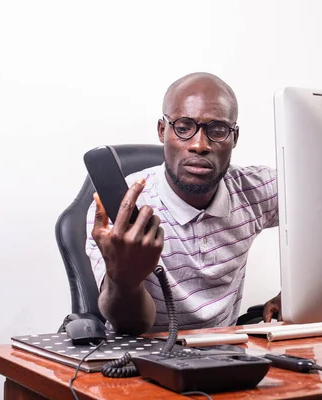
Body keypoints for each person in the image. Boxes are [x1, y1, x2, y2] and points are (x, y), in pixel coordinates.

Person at [86, 72, 281, 334]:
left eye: (218, 130)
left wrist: (294, 295)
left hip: (225, 356)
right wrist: (125, 281)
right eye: (184, 127)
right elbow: (131, 326)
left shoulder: (254, 189)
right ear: (162, 131)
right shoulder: (120, 210)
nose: (200, 145)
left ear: (234, 137)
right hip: (142, 357)